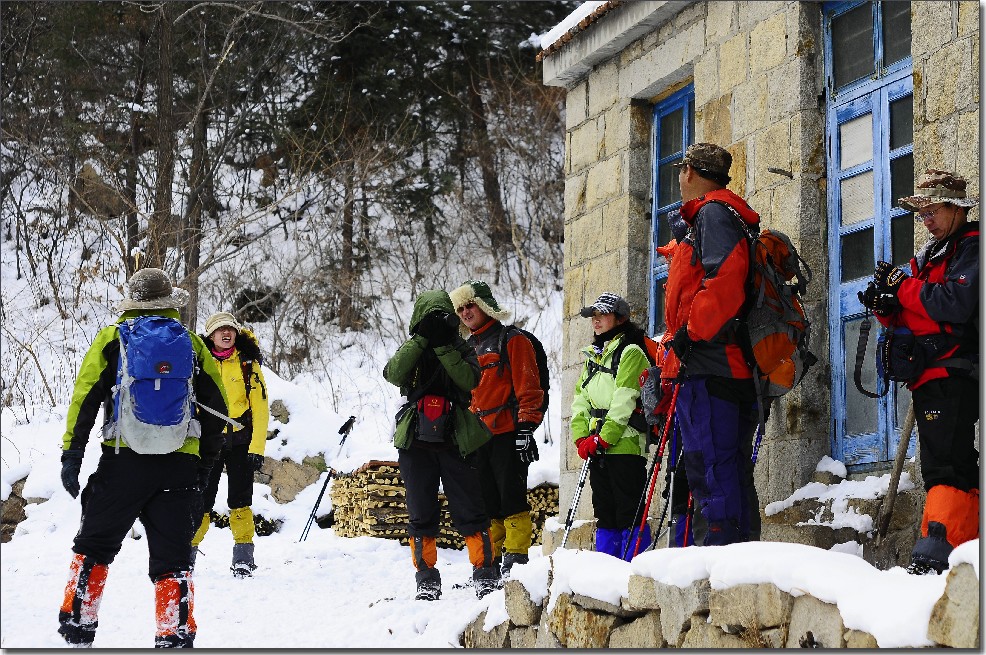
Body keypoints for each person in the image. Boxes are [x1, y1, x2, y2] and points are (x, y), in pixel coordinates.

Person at [57, 268, 228, 648]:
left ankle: (77, 628)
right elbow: (219, 411)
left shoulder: (112, 338)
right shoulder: (191, 343)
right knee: (174, 562)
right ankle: (175, 634)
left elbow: (84, 400)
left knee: (94, 546)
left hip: (123, 463)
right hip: (178, 464)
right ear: (170, 303)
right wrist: (203, 466)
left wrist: (73, 453)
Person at [859, 169, 980, 575]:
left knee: (946, 462)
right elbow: (910, 313)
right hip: (929, 375)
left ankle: (943, 545)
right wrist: (885, 303)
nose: (925, 218)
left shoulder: (972, 248)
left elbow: (956, 304)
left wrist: (903, 290)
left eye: (932, 210)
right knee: (946, 461)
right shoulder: (930, 255)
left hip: (955, 372)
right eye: (921, 211)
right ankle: (959, 545)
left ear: (956, 208)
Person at [660, 142, 761, 546]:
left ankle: (719, 557)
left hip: (712, 362)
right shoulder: (728, 214)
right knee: (727, 465)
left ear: (689, 173)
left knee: (711, 463)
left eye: (681, 170)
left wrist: (690, 333)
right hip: (725, 361)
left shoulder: (714, 214)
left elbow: (725, 281)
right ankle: (737, 551)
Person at [383, 289, 498, 600]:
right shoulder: (414, 346)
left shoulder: (461, 347)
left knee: (470, 505)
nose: (434, 322)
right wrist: (423, 339)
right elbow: (393, 373)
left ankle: (484, 572)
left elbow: (468, 381)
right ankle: (427, 577)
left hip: (456, 436)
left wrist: (443, 345)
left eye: (440, 316)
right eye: (428, 317)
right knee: (420, 508)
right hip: (416, 438)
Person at [450, 280, 544, 580]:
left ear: (484, 305)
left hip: (507, 432)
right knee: (487, 502)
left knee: (511, 496)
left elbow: (529, 386)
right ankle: (492, 560)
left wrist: (526, 428)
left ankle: (516, 559)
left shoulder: (511, 339)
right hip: (477, 437)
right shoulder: (466, 348)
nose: (466, 312)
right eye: (460, 308)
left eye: (470, 305)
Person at [570, 292, 653, 559]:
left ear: (619, 318)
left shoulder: (631, 351)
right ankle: (607, 570)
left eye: (602, 314)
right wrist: (581, 437)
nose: (596, 320)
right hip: (597, 447)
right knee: (604, 511)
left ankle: (634, 569)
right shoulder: (593, 356)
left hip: (625, 445)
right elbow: (580, 399)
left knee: (629, 510)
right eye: (593, 315)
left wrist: (604, 438)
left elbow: (624, 399)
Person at [191, 312, 269, 577]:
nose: (226, 334)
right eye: (220, 330)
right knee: (200, 500)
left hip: (240, 442)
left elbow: (260, 408)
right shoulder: (198, 363)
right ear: (211, 335)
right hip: (207, 441)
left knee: (240, 500)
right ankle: (186, 555)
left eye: (230, 330)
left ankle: (244, 557)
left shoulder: (248, 364)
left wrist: (257, 448)